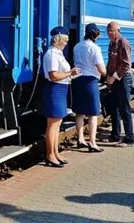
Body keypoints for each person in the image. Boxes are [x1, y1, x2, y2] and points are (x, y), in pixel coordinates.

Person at [42, 26, 80, 167]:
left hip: (61, 89)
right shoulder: (52, 54)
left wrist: (70, 74)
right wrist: (70, 73)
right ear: (58, 39)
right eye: (64, 40)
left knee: (57, 123)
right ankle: (50, 155)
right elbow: (53, 75)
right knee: (52, 124)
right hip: (55, 89)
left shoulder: (58, 53)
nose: (66, 43)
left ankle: (55, 152)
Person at [72, 23, 106, 152]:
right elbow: (101, 69)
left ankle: (80, 139)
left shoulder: (77, 46)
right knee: (93, 113)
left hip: (77, 80)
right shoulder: (95, 48)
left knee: (80, 112)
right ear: (95, 34)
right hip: (90, 81)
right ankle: (92, 142)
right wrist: (106, 74)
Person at [105, 21, 134, 146]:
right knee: (114, 108)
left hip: (123, 79)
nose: (109, 33)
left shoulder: (123, 43)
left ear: (118, 30)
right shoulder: (112, 43)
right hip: (114, 80)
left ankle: (129, 138)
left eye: (112, 31)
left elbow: (126, 64)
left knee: (124, 108)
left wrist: (114, 77)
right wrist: (108, 75)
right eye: (108, 31)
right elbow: (110, 61)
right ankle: (115, 135)